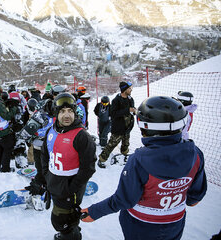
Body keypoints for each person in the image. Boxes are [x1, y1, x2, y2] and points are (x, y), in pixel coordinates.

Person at [81, 96, 207, 240]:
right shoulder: (196, 154)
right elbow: (194, 199)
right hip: (174, 224)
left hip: (140, 225)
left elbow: (124, 199)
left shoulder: (139, 160)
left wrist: (94, 212)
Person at [41, 92, 96, 240]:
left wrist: (71, 189)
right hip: (55, 184)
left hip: (70, 190)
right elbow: (45, 156)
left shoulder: (82, 136)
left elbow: (88, 167)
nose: (67, 115)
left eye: (70, 111)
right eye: (63, 111)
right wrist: (46, 176)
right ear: (56, 113)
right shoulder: (51, 131)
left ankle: (71, 235)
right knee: (66, 218)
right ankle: (71, 232)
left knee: (59, 220)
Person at [98, 81, 136, 168]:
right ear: (124, 90)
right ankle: (102, 159)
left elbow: (131, 110)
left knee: (126, 144)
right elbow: (114, 114)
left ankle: (124, 156)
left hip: (127, 127)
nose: (131, 90)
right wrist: (128, 110)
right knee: (111, 145)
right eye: (129, 88)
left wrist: (134, 111)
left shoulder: (130, 99)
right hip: (118, 128)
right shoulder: (116, 101)